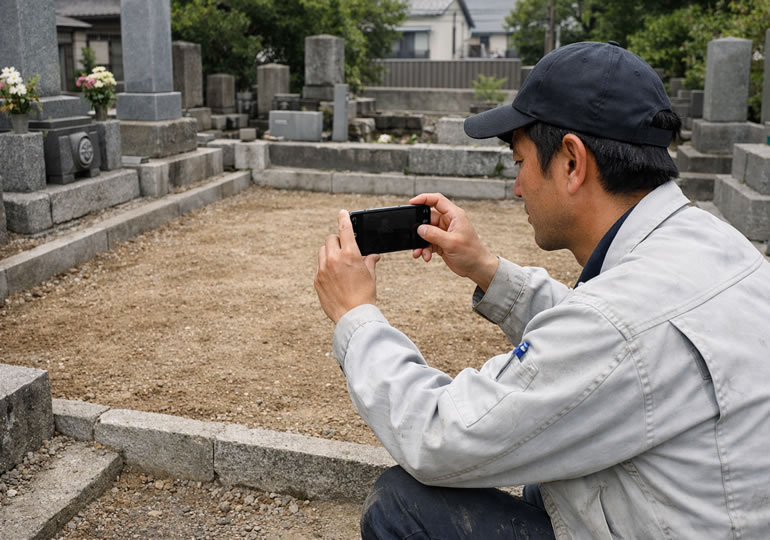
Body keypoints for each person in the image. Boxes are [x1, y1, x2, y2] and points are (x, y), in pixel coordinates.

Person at [314, 41, 770, 540]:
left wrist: (357, 316)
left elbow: (438, 436)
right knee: (544, 474)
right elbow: (620, 348)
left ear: (572, 161)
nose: (517, 187)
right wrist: (487, 269)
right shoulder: (718, 243)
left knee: (401, 504)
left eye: (520, 162)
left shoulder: (617, 323)